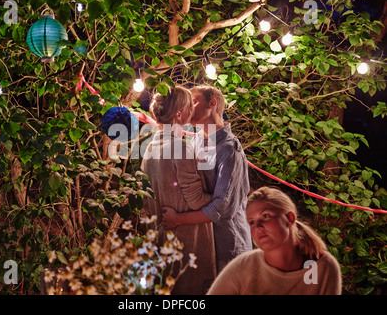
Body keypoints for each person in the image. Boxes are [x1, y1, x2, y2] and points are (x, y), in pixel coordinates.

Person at [162, 85, 252, 273]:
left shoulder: (229, 149)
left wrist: (178, 219)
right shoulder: (195, 141)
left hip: (229, 246)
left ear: (212, 103)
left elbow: (222, 207)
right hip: (205, 245)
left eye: (194, 101)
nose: (190, 107)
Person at [140, 86, 216, 295]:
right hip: (187, 241)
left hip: (161, 237)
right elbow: (196, 201)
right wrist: (221, 197)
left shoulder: (150, 147)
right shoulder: (180, 147)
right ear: (179, 114)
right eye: (190, 106)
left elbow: (147, 199)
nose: (193, 110)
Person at [207, 186, 342, 295]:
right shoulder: (244, 266)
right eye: (252, 222)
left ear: (290, 218)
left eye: (265, 216)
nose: (258, 226)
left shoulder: (324, 268)